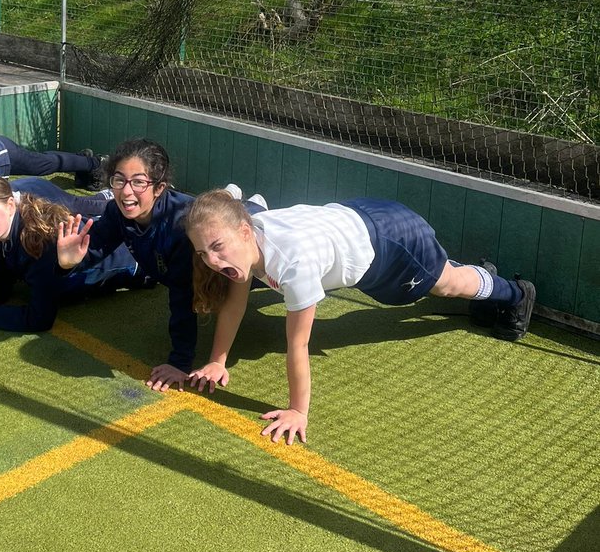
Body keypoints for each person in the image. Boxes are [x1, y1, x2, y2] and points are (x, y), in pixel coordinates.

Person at [184, 190, 537, 446]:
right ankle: (476, 271)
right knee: (443, 275)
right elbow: (234, 304)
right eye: (203, 252)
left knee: (446, 284)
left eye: (218, 247)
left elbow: (298, 343)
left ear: (246, 231)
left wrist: (297, 412)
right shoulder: (245, 229)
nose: (212, 262)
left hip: (391, 242)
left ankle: (516, 294)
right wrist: (218, 361)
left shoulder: (293, 263)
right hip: (360, 215)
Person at [55, 137, 266, 393]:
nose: (127, 191)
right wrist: (67, 262)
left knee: (258, 281)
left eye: (139, 182)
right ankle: (236, 198)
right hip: (203, 255)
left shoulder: (178, 227)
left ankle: (252, 207)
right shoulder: (116, 213)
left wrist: (180, 362)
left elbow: (183, 297)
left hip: (232, 259)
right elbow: (93, 249)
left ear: (159, 188)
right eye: (119, 180)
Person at [0, 173, 138, 332]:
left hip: (137, 261)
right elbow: (2, 279)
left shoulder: (38, 242)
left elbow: (40, 319)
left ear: (10, 205)